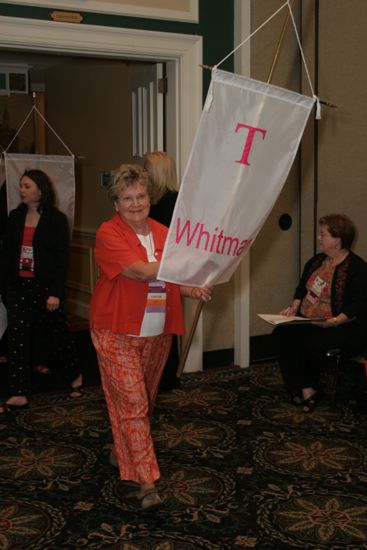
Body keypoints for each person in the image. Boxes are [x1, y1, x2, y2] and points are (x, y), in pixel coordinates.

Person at [89, 164, 212, 511]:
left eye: (140, 195)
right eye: (127, 198)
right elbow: (140, 271)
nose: (135, 203)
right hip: (116, 332)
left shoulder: (162, 232)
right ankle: (146, 483)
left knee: (141, 403)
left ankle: (120, 450)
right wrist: (183, 260)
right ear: (116, 203)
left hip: (157, 333)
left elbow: (168, 281)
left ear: (149, 197)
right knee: (134, 405)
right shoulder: (108, 233)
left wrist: (192, 288)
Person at [0, 169, 82, 414]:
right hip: (18, 287)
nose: (21, 190)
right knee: (17, 338)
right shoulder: (15, 217)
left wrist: (56, 292)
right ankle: (19, 392)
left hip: (46, 288)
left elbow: (62, 260)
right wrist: (5, 288)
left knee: (58, 334)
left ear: (40, 190)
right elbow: (6, 255)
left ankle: (74, 374)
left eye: (27, 186)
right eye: (21, 186)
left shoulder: (56, 220)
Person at [273, 213, 367, 413]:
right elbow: (301, 290)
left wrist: (334, 321)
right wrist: (293, 308)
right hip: (309, 320)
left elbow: (358, 305)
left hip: (344, 325)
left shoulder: (357, 268)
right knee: (281, 334)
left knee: (308, 341)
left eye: (323, 234)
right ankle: (298, 388)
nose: (319, 238)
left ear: (338, 240)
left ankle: (309, 389)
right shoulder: (317, 261)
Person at [143, 150, 180, 391]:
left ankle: (166, 377)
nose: (143, 173)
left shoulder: (173, 201)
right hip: (149, 270)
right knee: (153, 322)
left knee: (165, 323)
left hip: (164, 271)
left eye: (146, 169)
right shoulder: (149, 201)